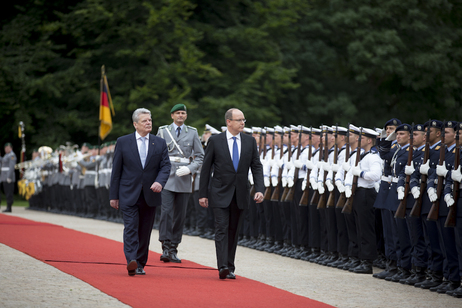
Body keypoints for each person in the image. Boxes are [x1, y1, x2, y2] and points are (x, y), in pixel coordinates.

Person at [199, 108, 264, 279]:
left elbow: (256, 166)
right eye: (239, 120)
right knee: (221, 228)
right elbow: (206, 168)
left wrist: (259, 189)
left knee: (234, 231)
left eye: (244, 120)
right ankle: (222, 266)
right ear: (229, 122)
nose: (243, 123)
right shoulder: (215, 140)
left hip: (240, 193)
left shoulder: (249, 141)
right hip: (220, 192)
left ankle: (230, 266)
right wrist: (202, 194)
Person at [109, 108, 171, 276]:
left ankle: (141, 263)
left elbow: (166, 166)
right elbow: (117, 170)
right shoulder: (123, 142)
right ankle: (131, 260)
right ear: (135, 124)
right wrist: (113, 196)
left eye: (150, 120)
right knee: (130, 227)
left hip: (150, 194)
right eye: (145, 121)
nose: (149, 123)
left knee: (145, 230)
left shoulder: (159, 143)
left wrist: (160, 181)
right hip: (128, 193)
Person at [157, 104, 204, 263]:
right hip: (167, 176)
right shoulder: (163, 131)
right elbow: (156, 154)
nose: (180, 115)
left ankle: (173, 248)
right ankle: (165, 246)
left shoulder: (192, 132)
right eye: (177, 113)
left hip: (184, 177)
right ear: (172, 115)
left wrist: (190, 169)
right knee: (166, 212)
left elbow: (199, 156)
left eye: (183, 113)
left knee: (180, 215)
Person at [1, 143, 17, 212]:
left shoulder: (12, 155)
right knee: (6, 191)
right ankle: (8, 206)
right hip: (4, 177)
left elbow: (11, 167)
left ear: (11, 148)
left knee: (9, 193)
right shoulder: (6, 155)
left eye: (7, 148)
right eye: (5, 148)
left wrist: (9, 177)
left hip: (8, 177)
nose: (6, 149)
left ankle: (9, 207)